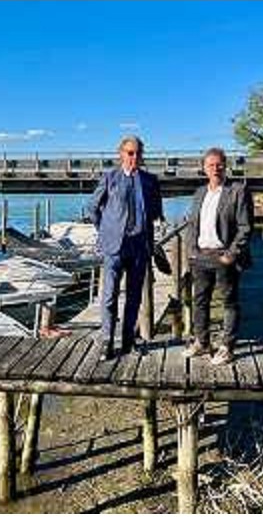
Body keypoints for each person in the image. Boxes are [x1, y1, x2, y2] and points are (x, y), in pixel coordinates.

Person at [89, 136, 163, 360]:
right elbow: (93, 207)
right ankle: (107, 341)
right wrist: (105, 231)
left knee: (134, 297)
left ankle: (128, 341)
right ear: (121, 154)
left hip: (139, 246)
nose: (134, 157)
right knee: (109, 296)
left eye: (138, 153)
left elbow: (156, 211)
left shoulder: (150, 180)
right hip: (114, 247)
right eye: (130, 153)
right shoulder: (110, 177)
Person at [183, 147, 254, 365]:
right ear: (204, 168)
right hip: (200, 257)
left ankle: (227, 347)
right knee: (200, 301)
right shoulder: (199, 193)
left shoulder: (237, 191)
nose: (215, 168)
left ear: (225, 166)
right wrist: (191, 251)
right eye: (211, 165)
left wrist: (231, 254)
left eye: (219, 164)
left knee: (229, 302)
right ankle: (202, 342)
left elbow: (245, 227)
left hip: (224, 256)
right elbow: (192, 224)